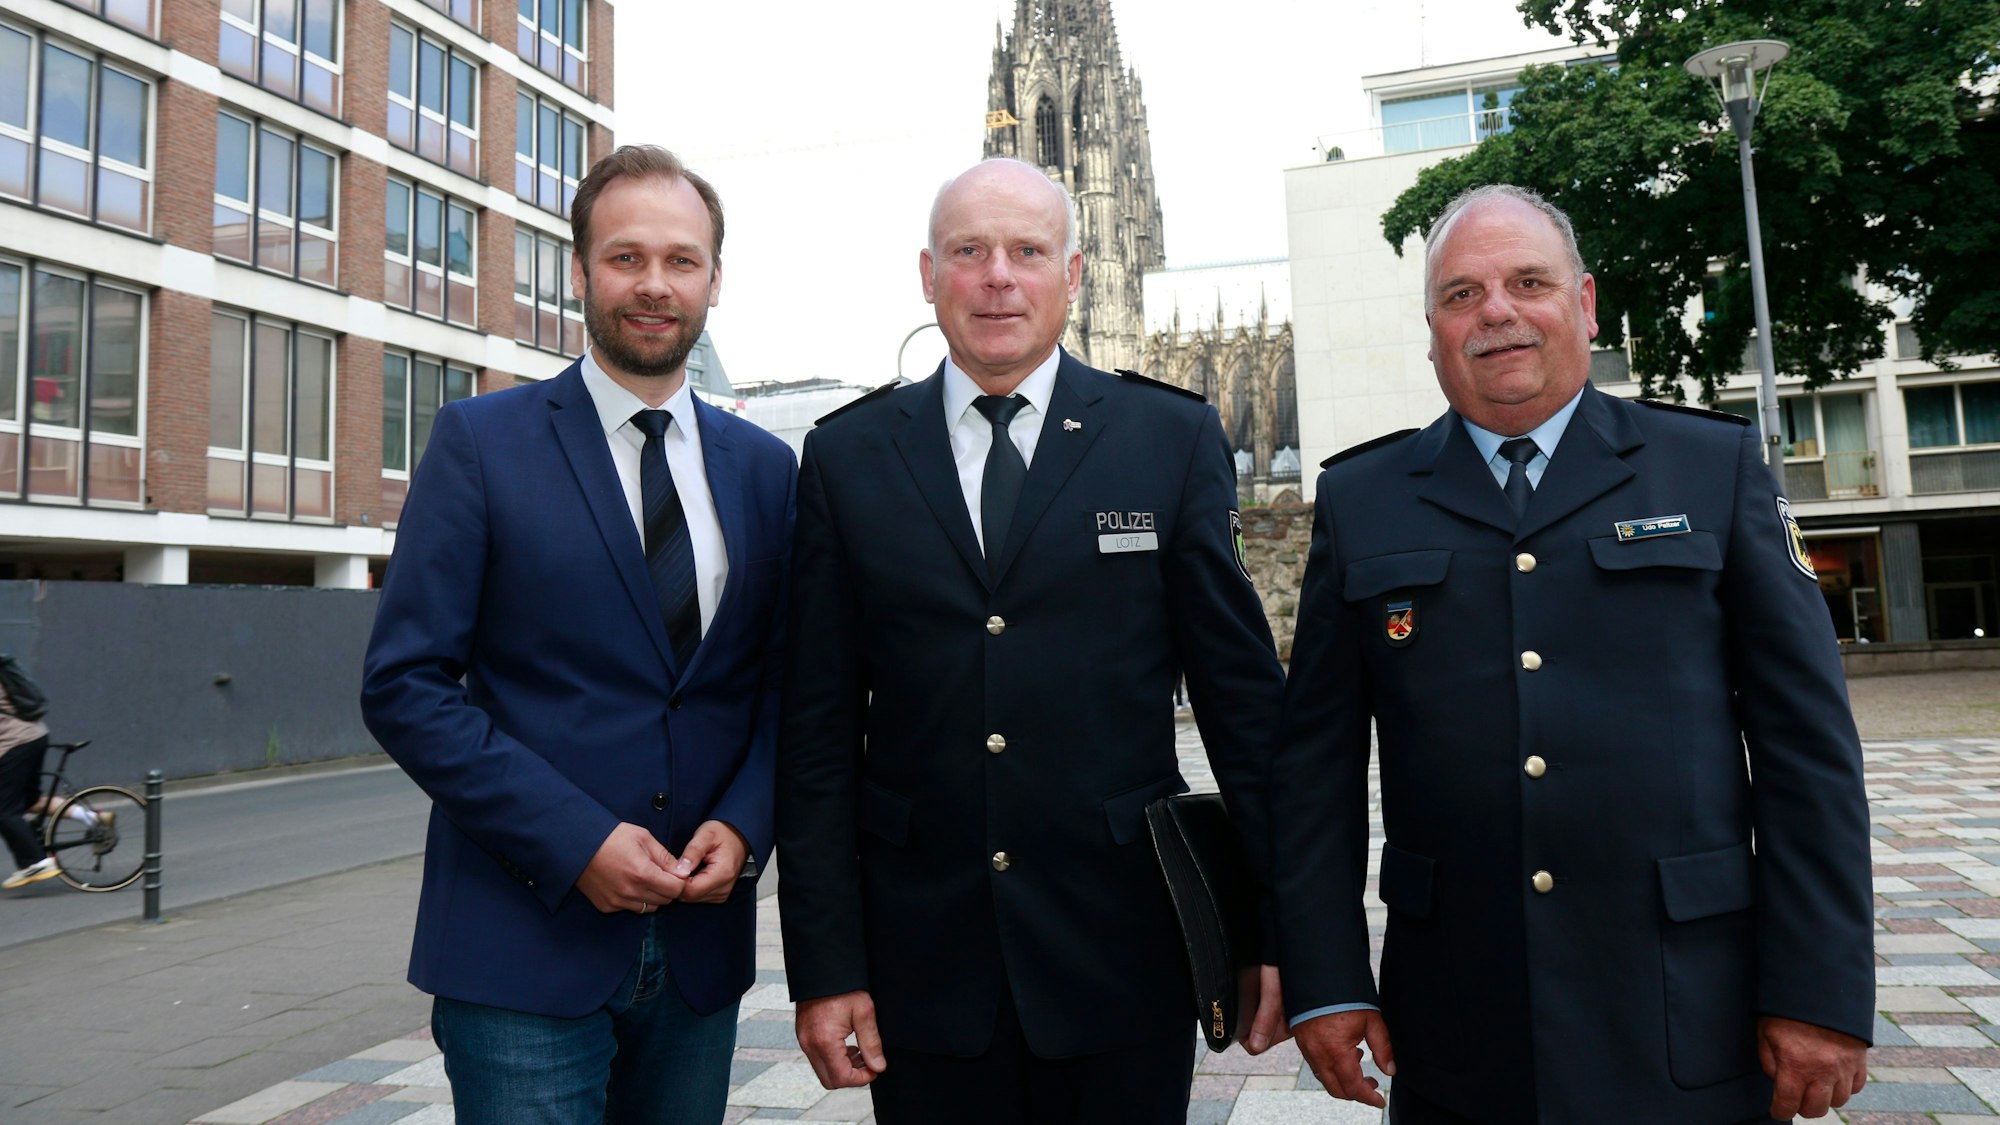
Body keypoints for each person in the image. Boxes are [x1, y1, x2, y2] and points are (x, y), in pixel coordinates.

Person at [1271, 184, 1874, 1123]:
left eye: (1527, 282)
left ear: (1584, 305)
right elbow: (1314, 772)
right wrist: (1325, 978)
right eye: (1461, 294)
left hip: (1685, 1010)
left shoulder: (1707, 469)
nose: (1496, 313)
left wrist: (1819, 989)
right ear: (1431, 328)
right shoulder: (1364, 498)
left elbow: (1809, 753)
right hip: (1459, 1020)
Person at [774, 156, 1290, 1124]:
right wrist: (824, 965)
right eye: (968, 252)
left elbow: (1244, 708)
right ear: (928, 277)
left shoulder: (1165, 439)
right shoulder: (846, 459)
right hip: (920, 972)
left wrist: (1275, 929)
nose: (997, 276)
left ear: (1075, 273)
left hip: (1123, 959)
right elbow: (814, 739)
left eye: (1025, 251)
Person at [360, 145, 796, 1122]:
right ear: (579, 272)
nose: (654, 285)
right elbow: (404, 684)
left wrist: (748, 823)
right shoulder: (480, 444)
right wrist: (574, 841)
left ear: (715, 280)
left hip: (699, 953)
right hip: (521, 944)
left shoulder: (768, 472)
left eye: (681, 261)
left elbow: (783, 687)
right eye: (625, 257)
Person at [0, 679, 54, 890]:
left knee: (4, 810)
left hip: (15, 742)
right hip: (36, 735)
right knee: (29, 799)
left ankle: (35, 862)